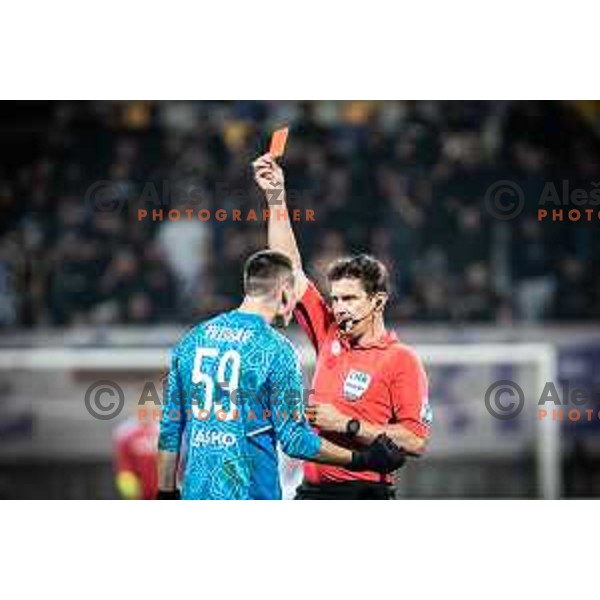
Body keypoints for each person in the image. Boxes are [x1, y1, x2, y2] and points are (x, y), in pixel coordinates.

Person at [156, 249, 408, 500]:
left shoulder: (192, 340)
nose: (295, 307)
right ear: (285, 293)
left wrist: (165, 493)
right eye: (295, 297)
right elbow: (295, 439)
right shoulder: (276, 350)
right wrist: (361, 459)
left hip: (196, 495)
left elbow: (170, 428)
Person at [253, 154, 432, 500]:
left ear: (378, 301)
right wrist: (275, 196)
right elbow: (288, 266)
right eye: (335, 299)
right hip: (310, 491)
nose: (339, 308)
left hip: (364, 493)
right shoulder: (330, 334)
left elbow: (416, 440)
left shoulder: (401, 360)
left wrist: (348, 425)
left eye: (349, 299)